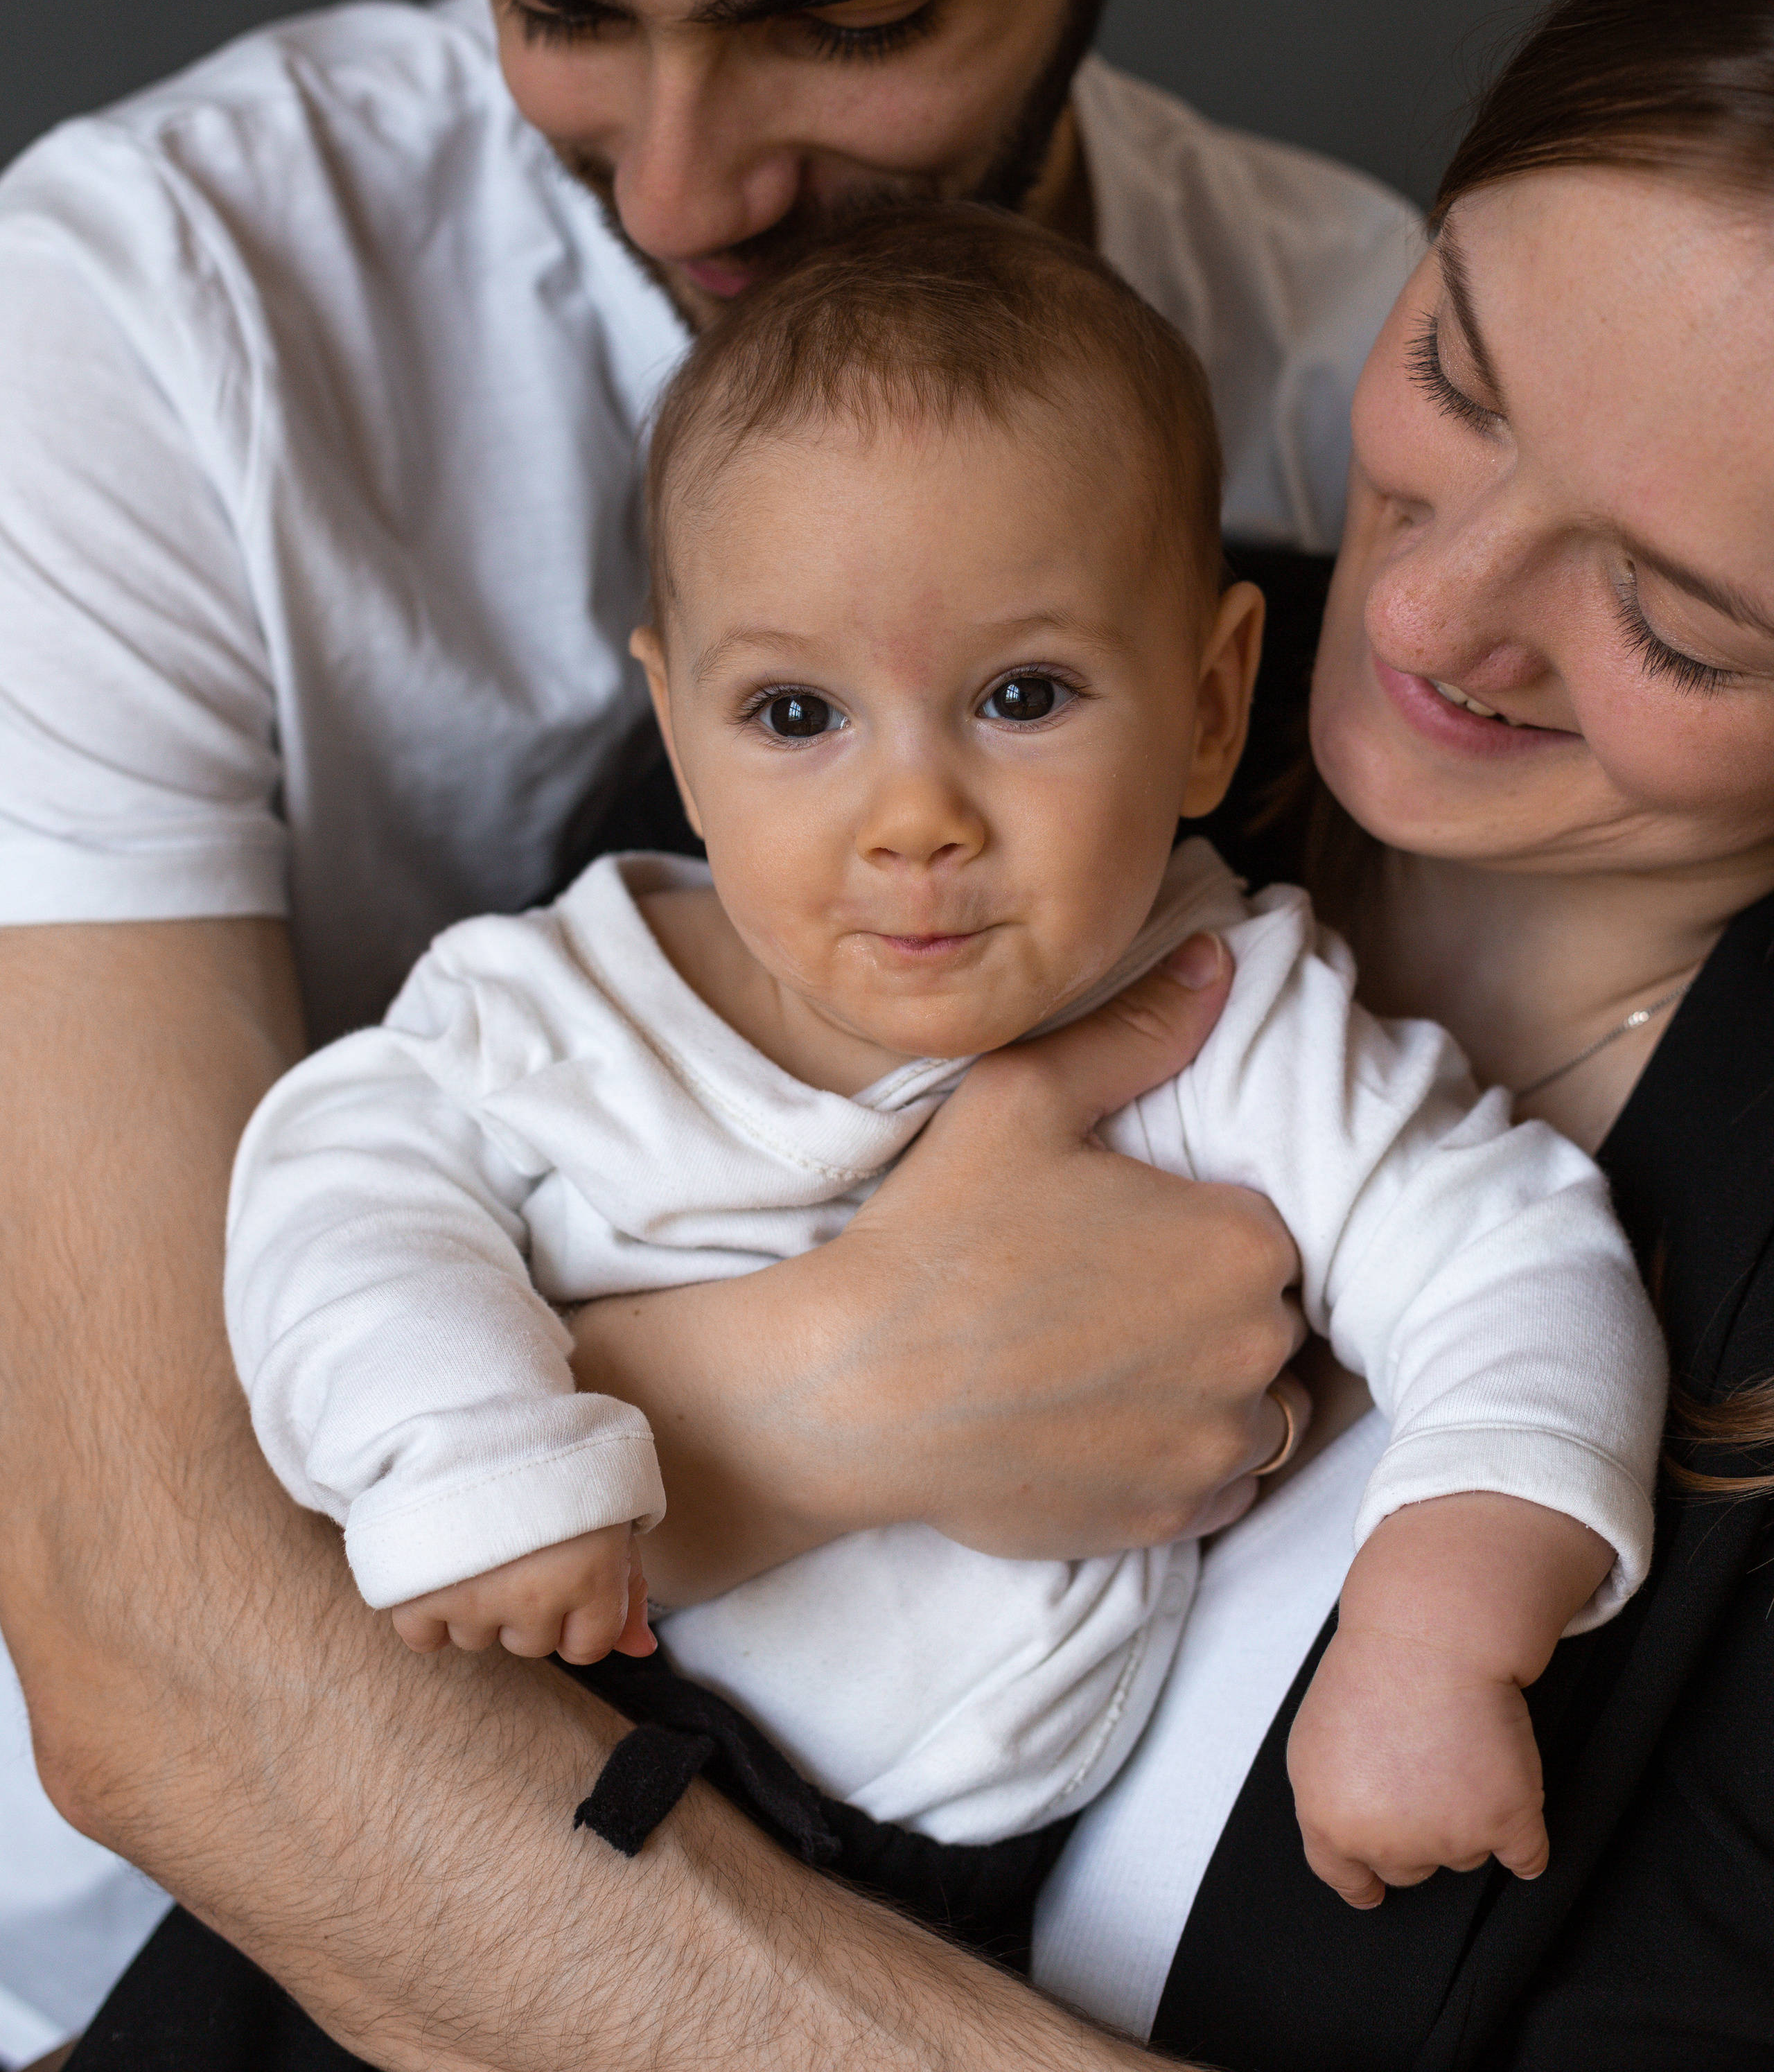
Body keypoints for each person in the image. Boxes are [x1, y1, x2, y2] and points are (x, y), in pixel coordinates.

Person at [0, 0, 1422, 2060]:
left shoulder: (1374, 397)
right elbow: (157, 1641)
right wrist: (842, 1391)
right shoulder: (140, 326)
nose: (676, 187)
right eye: (555, 2)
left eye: (854, 14)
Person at [220, 210, 1658, 1940]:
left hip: (928, 1899)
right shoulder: (549, 1003)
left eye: (1023, 695)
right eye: (795, 719)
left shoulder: (1230, 1018)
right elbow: (332, 1202)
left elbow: (1517, 1269)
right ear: (675, 733)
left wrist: (1436, 1629)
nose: (913, 821)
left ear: (1208, 706)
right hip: (482, 1746)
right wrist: (469, 1454)